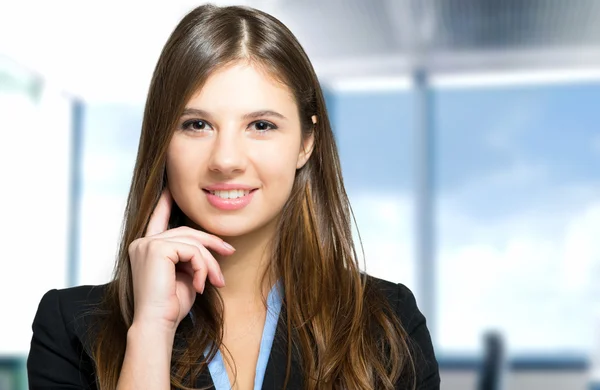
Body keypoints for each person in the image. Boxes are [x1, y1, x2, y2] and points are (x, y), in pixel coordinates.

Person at [26, 4, 440, 390]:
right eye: (196, 125)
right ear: (161, 139)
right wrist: (151, 330)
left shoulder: (387, 322)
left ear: (306, 142)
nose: (225, 159)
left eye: (260, 125)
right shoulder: (69, 327)